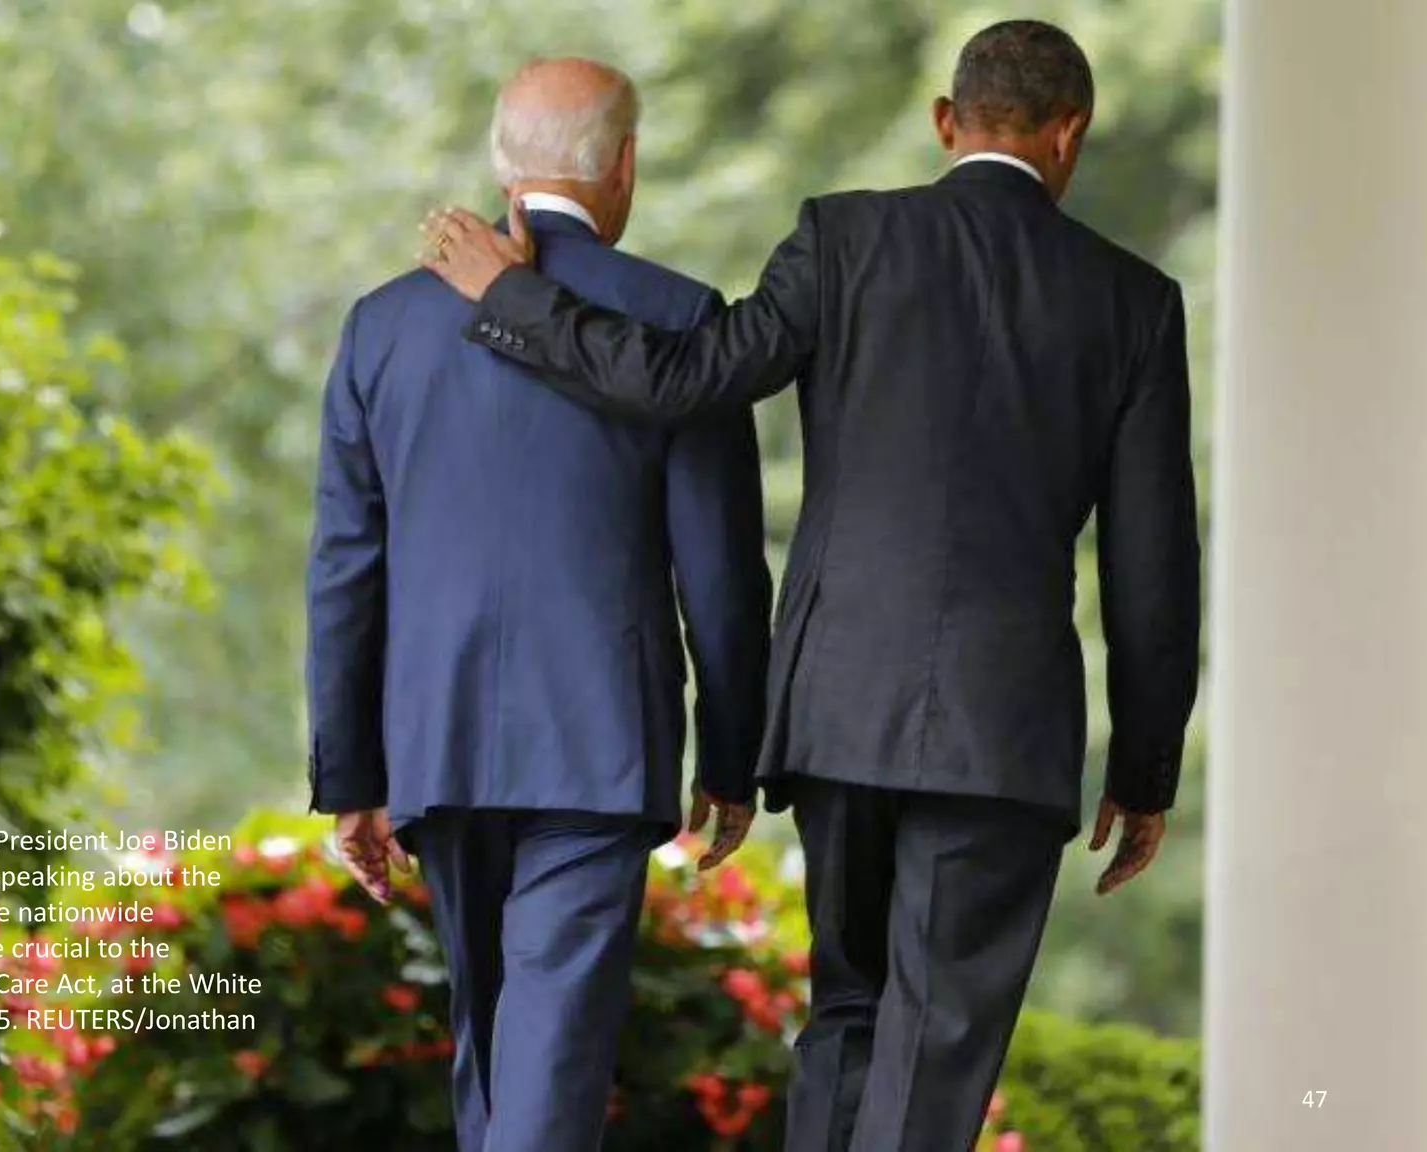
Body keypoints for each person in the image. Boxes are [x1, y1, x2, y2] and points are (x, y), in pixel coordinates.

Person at [420, 21, 1200, 1152]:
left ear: (945, 122)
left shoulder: (843, 238)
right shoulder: (1133, 302)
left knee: (844, 1014)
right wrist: (1142, 767)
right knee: (932, 1041)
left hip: (835, 709)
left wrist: (516, 299)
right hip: (998, 732)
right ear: (1069, 134)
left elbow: (685, 379)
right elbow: (1150, 561)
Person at [304, 57, 772, 1151]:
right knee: (547, 1054)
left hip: (436, 738)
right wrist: (730, 753)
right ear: (622, 165)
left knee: (493, 1053)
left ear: (501, 165)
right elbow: (720, 573)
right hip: (596, 741)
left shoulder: (381, 327)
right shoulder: (680, 319)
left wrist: (351, 776)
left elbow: (342, 566)